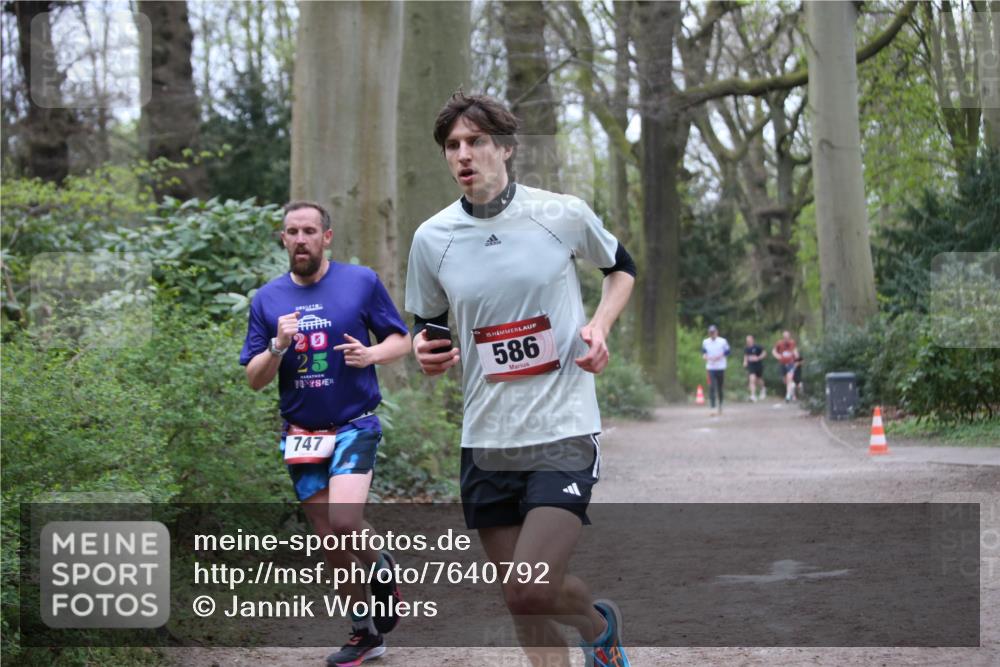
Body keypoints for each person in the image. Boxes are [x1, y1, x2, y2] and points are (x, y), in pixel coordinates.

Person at [405, 93, 636, 667]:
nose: (465, 154)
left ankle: (597, 627)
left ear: (506, 148)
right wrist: (425, 349)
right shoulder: (432, 237)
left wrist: (599, 326)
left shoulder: (560, 214)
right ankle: (598, 636)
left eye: (477, 141)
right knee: (521, 602)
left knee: (532, 588)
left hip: (562, 427)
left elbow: (620, 267)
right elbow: (428, 322)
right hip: (486, 437)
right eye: (453, 146)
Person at [239, 201, 411, 667]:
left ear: (326, 237)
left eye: (309, 231)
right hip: (300, 431)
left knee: (343, 522)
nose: (300, 239)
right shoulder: (268, 300)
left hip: (354, 423)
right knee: (328, 538)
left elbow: (403, 339)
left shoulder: (360, 282)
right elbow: (255, 378)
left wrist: (371, 356)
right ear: (283, 238)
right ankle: (364, 634)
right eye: (292, 232)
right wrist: (277, 345)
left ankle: (379, 567)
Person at [701, 325, 730, 415]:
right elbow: (703, 352)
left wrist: (720, 356)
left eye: (713, 332)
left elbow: (728, 351)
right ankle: (713, 406)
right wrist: (705, 357)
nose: (712, 334)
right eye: (710, 332)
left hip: (720, 366)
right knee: (711, 386)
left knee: (720, 387)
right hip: (710, 367)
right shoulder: (706, 342)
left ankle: (720, 404)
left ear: (717, 332)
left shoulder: (722, 341)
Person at [771, 330, 799, 402]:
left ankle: (788, 396)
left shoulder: (792, 343)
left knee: (789, 378)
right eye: (784, 336)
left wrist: (796, 358)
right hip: (782, 363)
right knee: (785, 380)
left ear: (789, 336)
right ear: (783, 337)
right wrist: (778, 356)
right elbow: (774, 351)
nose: (786, 338)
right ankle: (792, 392)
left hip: (790, 363)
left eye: (787, 336)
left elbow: (795, 351)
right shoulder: (779, 343)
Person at [743, 334, 766, 402]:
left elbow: (764, 353)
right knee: (752, 379)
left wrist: (758, 358)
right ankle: (753, 395)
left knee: (759, 379)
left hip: (758, 365)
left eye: (749, 340)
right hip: (751, 366)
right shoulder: (746, 348)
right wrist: (745, 362)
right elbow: (746, 355)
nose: (748, 341)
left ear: (752, 340)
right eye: (747, 340)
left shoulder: (757, 347)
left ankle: (763, 389)